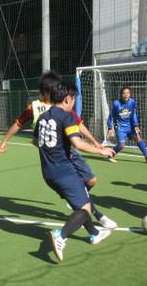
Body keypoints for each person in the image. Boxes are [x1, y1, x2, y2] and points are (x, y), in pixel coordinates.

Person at [0, 70, 117, 230]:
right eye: (54, 89)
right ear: (46, 91)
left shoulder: (63, 106)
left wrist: (95, 143)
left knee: (90, 180)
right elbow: (18, 124)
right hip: (55, 158)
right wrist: (5, 141)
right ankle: (97, 216)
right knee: (79, 188)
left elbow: (79, 124)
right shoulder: (35, 107)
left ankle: (78, 205)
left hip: (69, 150)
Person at [33, 82, 116, 262]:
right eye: (74, 100)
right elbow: (78, 143)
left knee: (82, 202)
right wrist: (101, 151)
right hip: (64, 171)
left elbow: (35, 142)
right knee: (85, 208)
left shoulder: (42, 117)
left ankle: (94, 234)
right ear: (67, 99)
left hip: (48, 173)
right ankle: (60, 235)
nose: (73, 104)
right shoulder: (66, 116)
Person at [106, 86, 147, 163]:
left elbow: (133, 114)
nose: (126, 95)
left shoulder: (132, 102)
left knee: (138, 137)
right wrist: (110, 128)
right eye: (124, 93)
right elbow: (111, 116)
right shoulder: (116, 104)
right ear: (121, 94)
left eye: (128, 93)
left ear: (130, 94)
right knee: (121, 144)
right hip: (120, 127)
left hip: (130, 126)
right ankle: (111, 154)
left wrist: (135, 125)